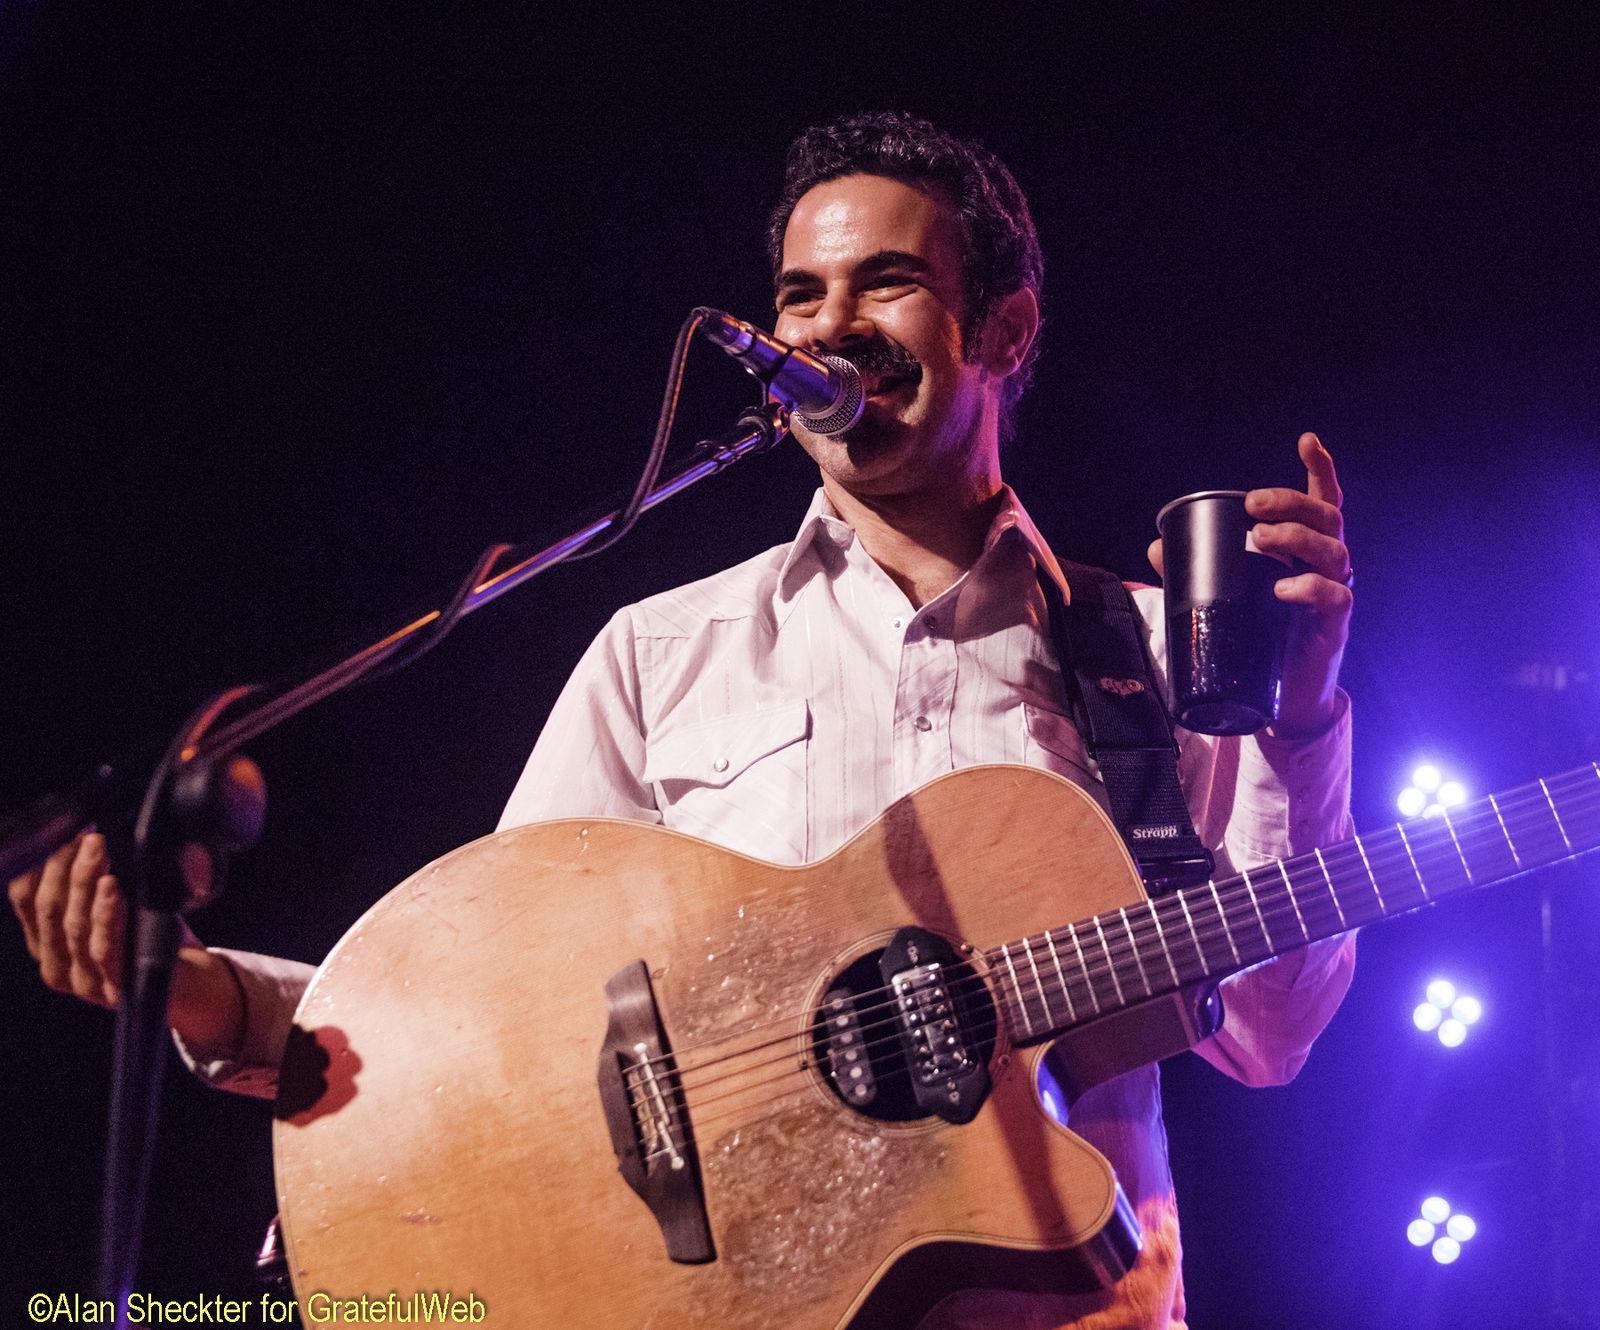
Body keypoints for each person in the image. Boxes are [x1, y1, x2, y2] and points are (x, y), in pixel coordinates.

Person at [12, 112, 1356, 1328]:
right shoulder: (663, 651)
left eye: (885, 281)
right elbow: (488, 1014)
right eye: (801, 294)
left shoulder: (1144, 654)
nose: (830, 326)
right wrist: (209, 995)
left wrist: (1300, 721)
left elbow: (1269, 1027)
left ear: (1002, 333)